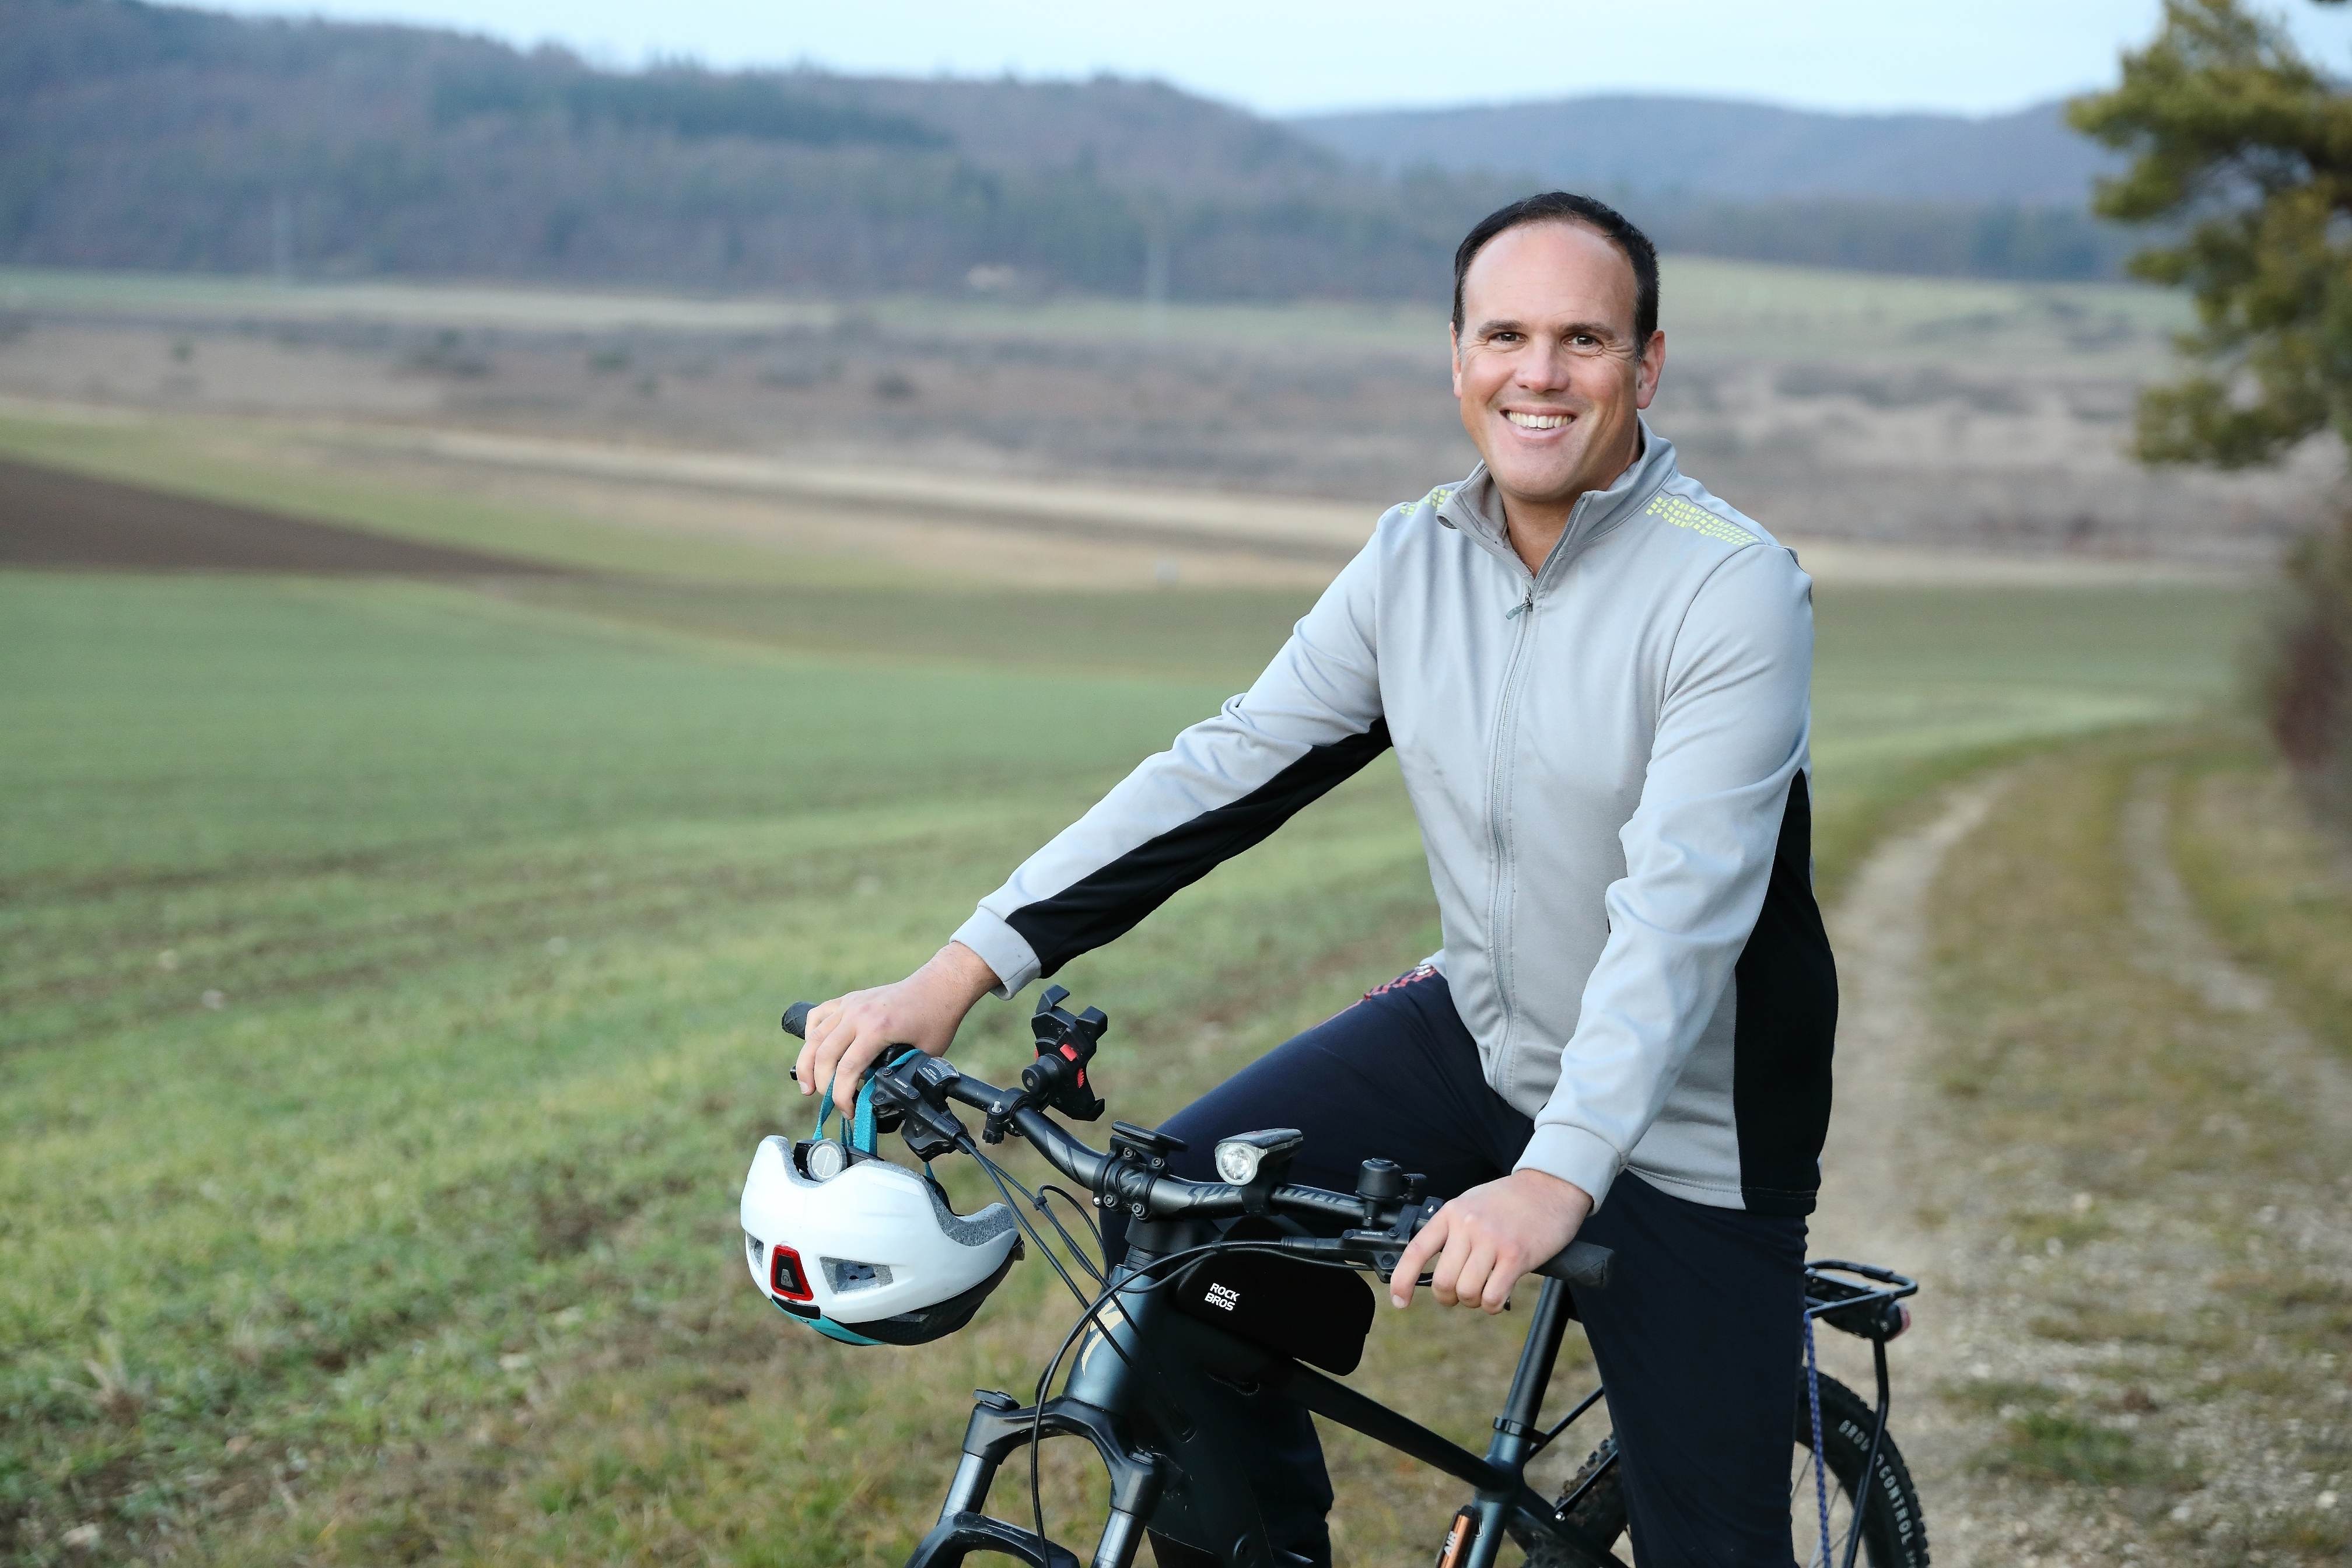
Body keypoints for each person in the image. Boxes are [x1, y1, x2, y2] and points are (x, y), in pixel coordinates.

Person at [795, 191, 1836, 1568]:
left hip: (1694, 1116)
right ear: (1457, 358)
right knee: (1169, 1230)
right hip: (1483, 1029)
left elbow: (1679, 922)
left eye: (1583, 340)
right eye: (1505, 336)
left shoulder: (1731, 589)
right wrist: (957, 971)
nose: (1538, 373)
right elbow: (1225, 771)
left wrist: (1553, 1177)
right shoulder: (1415, 559)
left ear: (1645, 367)